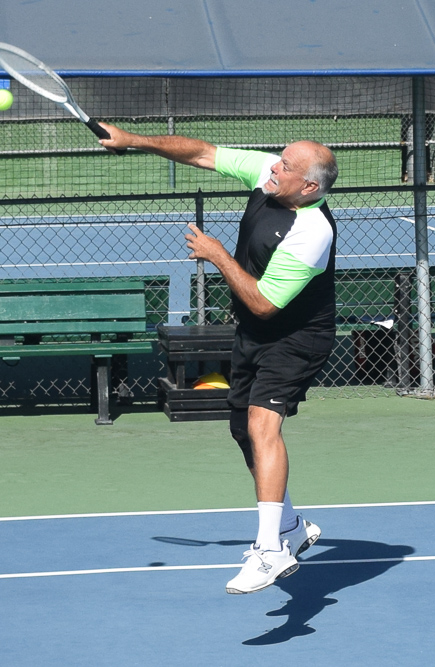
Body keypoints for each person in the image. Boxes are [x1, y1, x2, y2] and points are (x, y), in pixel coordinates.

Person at [99, 123, 338, 594]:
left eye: (286, 165)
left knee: (262, 424)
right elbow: (204, 153)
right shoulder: (268, 174)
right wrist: (133, 140)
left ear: (309, 186)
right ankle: (290, 526)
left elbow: (263, 302)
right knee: (243, 430)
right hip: (254, 333)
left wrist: (217, 255)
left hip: (296, 337)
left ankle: (270, 550)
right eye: (279, 158)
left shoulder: (312, 231)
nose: (274, 166)